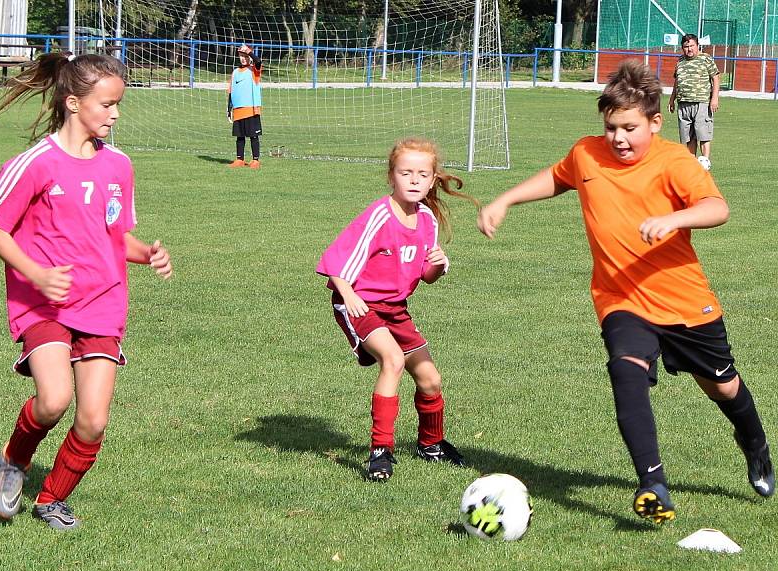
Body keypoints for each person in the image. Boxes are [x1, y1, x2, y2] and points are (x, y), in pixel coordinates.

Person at [477, 60, 773, 523]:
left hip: (683, 300)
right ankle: (652, 482)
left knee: (722, 386)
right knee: (626, 370)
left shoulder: (674, 160)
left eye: (630, 128)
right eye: (612, 127)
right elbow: (559, 177)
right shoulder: (586, 154)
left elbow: (718, 207)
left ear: (655, 122)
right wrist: (505, 199)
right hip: (620, 298)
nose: (619, 137)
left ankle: (754, 444)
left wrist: (674, 219)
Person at [0, 52, 173, 530]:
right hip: (44, 302)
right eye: (107, 104)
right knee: (53, 399)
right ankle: (14, 458)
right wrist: (37, 274)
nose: (115, 113)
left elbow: (114, 236)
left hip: (103, 302)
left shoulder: (119, 167)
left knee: (93, 421)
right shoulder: (35, 163)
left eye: (118, 104)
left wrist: (146, 253)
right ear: (73, 103)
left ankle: (51, 499)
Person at [316, 137, 478, 481]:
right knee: (392, 360)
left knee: (431, 379)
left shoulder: (427, 221)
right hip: (358, 302)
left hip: (394, 308)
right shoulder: (378, 216)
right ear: (392, 176)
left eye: (422, 174)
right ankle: (380, 452)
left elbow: (427, 277)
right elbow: (336, 263)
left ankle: (431, 444)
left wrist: (439, 263)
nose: (415, 180)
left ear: (433, 179)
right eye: (406, 173)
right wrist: (349, 296)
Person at [668, 33, 720, 170]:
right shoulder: (680, 61)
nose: (689, 49)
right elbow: (677, 81)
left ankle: (705, 162)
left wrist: (714, 98)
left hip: (701, 102)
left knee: (702, 133)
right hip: (683, 103)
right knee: (688, 137)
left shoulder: (705, 59)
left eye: (692, 46)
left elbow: (715, 78)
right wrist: (672, 99)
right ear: (682, 48)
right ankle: (692, 166)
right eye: (686, 46)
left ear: (697, 46)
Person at [227, 43, 263, 169]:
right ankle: (239, 160)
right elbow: (231, 91)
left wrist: (249, 52)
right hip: (238, 110)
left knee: (253, 135)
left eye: (245, 56)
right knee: (240, 136)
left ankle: (255, 160)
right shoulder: (235, 72)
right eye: (241, 56)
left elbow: (258, 60)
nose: (243, 58)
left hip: (251, 109)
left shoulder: (254, 70)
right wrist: (229, 109)